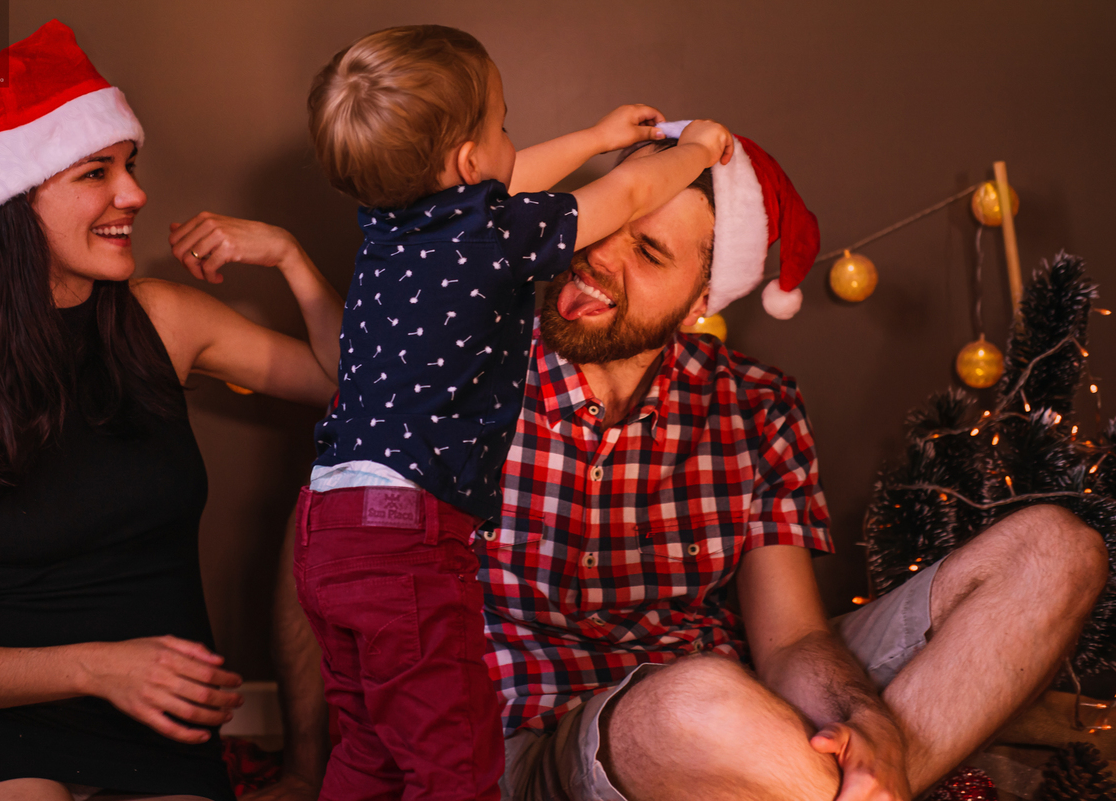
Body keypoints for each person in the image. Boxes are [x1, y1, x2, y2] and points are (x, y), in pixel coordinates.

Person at [258, 132, 1109, 801]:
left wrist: (865, 721)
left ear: (703, 298)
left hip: (741, 713)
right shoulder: (464, 362)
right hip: (531, 742)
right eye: (604, 224)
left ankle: (875, 777)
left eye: (651, 253)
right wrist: (303, 768)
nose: (600, 257)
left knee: (1057, 548)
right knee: (692, 699)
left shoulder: (755, 403)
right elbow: (325, 553)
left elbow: (791, 639)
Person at [298, 25, 733, 801]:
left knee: (369, 747)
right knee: (457, 762)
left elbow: (498, 178)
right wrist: (698, 150)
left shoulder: (390, 223)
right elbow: (629, 195)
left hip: (327, 525)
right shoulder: (498, 238)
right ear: (469, 161)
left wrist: (596, 137)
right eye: (504, 125)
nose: (511, 143)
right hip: (408, 536)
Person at [0, 20, 342, 801]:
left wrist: (288, 254)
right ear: (14, 198)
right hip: (2, 721)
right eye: (95, 171)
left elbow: (345, 381)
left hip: (161, 724)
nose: (135, 193)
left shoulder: (162, 320)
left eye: (129, 165)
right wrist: (98, 667)